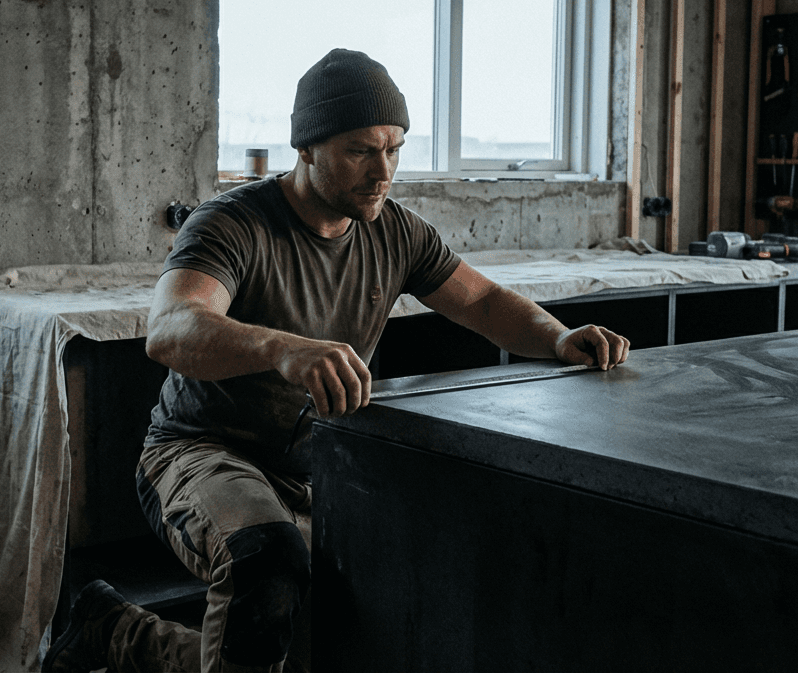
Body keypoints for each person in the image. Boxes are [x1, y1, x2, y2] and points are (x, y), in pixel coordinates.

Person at [44, 49, 630, 673]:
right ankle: (123, 628)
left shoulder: (397, 231)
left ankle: (113, 630)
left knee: (343, 624)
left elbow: (482, 301)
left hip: (316, 469)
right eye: (360, 151)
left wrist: (560, 336)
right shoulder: (232, 224)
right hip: (196, 453)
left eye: (395, 148)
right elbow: (170, 330)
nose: (383, 172)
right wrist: (281, 347)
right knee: (266, 564)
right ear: (307, 148)